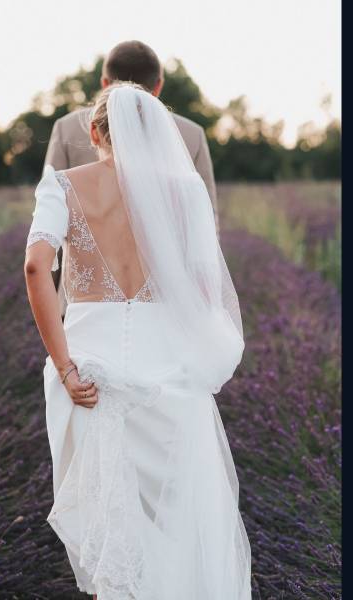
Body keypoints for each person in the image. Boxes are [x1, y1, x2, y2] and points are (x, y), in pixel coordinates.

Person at [24, 82, 251, 599]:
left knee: (109, 512)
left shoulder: (60, 185)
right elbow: (202, 287)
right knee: (175, 512)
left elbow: (37, 265)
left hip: (87, 364)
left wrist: (65, 367)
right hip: (165, 365)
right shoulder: (186, 192)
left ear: (92, 131)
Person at [45, 40, 219, 315]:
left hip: (81, 308)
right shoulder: (191, 134)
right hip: (165, 305)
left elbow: (48, 226)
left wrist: (53, 300)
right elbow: (206, 228)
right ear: (158, 85)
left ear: (104, 82)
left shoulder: (67, 129)